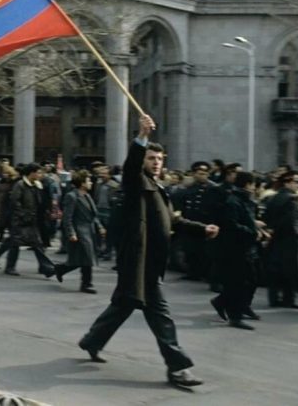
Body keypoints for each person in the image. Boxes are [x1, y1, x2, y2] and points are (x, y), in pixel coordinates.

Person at [78, 115, 218, 388]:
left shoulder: (158, 188)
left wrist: (203, 229)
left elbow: (172, 221)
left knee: (123, 305)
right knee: (160, 315)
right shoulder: (136, 183)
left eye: (159, 159)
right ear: (143, 161)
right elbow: (131, 166)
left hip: (151, 261)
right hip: (139, 262)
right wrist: (141, 136)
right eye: (151, 158)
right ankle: (177, 367)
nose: (155, 162)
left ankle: (91, 341)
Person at [211, 171, 261, 329]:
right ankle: (235, 316)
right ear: (247, 185)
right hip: (235, 249)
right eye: (253, 185)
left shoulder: (245, 201)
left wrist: (258, 230)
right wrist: (252, 232)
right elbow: (231, 226)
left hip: (247, 247)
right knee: (237, 282)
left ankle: (222, 302)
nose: (254, 188)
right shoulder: (233, 201)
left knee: (250, 280)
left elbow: (248, 220)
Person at [0, 163, 56, 277]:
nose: (40, 175)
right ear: (32, 173)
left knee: (37, 244)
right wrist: (21, 215)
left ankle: (45, 267)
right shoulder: (20, 185)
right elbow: (14, 202)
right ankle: (9, 267)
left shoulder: (37, 185)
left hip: (32, 219)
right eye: (38, 172)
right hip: (20, 220)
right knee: (15, 243)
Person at [55, 170, 105, 293]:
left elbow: (93, 215)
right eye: (88, 181)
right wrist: (71, 232)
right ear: (82, 183)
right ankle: (86, 284)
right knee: (87, 258)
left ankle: (60, 269)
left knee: (81, 259)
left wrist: (100, 227)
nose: (91, 183)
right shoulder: (72, 196)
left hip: (90, 231)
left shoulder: (87, 196)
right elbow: (67, 217)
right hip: (80, 231)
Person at [263, 170, 298, 309]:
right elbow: (289, 221)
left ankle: (274, 298)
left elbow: (268, 217)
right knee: (290, 270)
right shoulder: (290, 200)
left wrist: (272, 229)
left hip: (276, 238)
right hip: (288, 239)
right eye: (297, 181)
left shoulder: (274, 197)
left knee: (276, 270)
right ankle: (288, 299)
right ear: (288, 182)